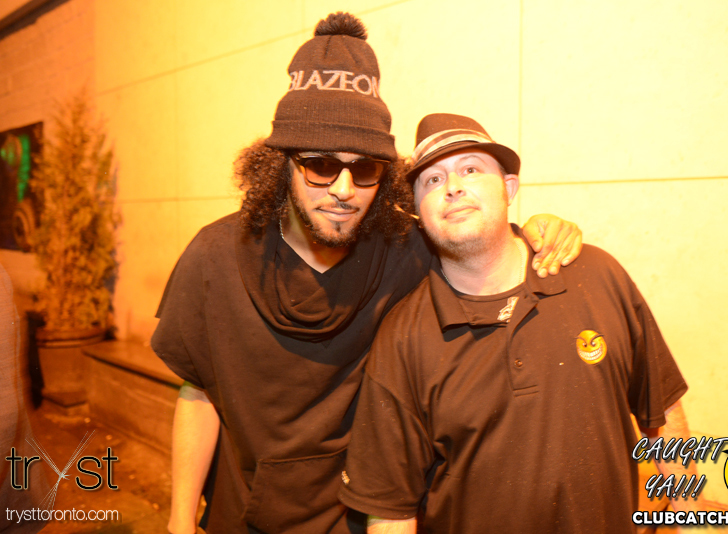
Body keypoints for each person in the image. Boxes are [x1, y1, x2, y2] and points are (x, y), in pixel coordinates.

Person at [151, 14, 582, 534]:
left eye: (365, 168)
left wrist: (533, 230)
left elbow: (481, 249)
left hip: (366, 518)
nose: (343, 189)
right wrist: (178, 521)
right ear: (282, 164)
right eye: (320, 165)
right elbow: (198, 393)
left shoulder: (407, 251)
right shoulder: (214, 256)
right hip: (245, 515)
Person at [338, 113, 696, 534]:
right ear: (418, 209)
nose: (453, 187)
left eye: (471, 169)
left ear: (509, 188)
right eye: (432, 180)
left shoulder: (598, 275)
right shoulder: (403, 338)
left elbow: (662, 415)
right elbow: (389, 511)